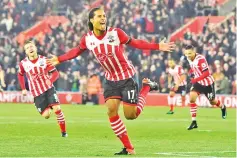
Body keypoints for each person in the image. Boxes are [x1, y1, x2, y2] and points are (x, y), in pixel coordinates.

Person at [47, 7, 175, 155]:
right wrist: (59, 59)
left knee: (131, 115)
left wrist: (158, 46)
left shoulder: (116, 33)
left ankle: (146, 88)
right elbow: (75, 51)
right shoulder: (88, 39)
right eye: (99, 16)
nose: (103, 19)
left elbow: (136, 43)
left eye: (104, 16)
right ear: (91, 20)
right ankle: (129, 148)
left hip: (127, 78)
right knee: (111, 111)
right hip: (111, 80)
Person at [17, 40, 67, 137]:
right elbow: (20, 75)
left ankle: (64, 133)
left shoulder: (44, 60)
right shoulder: (23, 63)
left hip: (48, 89)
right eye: (27, 48)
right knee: (46, 115)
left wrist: (50, 80)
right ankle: (48, 106)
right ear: (26, 52)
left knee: (57, 109)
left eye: (31, 46)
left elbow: (55, 73)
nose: (30, 49)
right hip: (37, 93)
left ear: (35, 48)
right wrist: (23, 88)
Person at [184, 45, 227, 130]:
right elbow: (193, 68)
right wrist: (190, 73)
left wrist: (195, 79)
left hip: (208, 83)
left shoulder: (201, 59)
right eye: (187, 53)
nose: (188, 55)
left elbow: (206, 73)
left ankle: (223, 107)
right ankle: (194, 122)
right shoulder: (189, 58)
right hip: (198, 83)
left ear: (194, 51)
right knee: (192, 99)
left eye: (190, 53)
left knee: (212, 102)